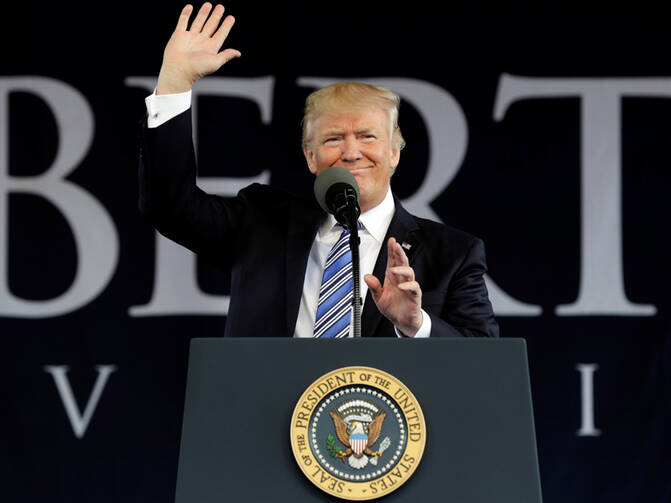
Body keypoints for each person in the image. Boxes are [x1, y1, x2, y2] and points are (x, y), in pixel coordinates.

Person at [140, 3, 499, 339]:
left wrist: (416, 325)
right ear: (310, 157)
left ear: (394, 153)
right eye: (332, 139)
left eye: (367, 136)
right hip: (266, 405)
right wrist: (174, 84)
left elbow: (487, 365)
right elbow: (170, 206)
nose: (351, 151)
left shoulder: (452, 253)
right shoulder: (261, 222)